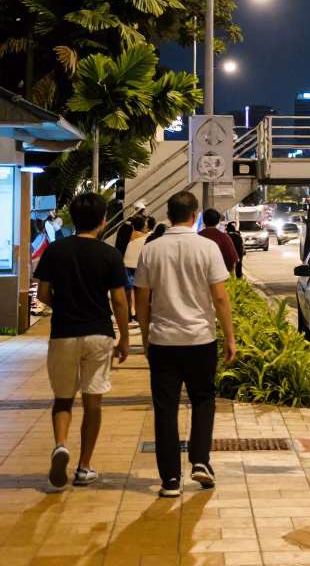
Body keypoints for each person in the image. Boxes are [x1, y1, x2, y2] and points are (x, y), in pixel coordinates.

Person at [135, 190, 236, 498]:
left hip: (163, 341)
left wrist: (145, 333)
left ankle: (170, 481)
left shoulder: (151, 249)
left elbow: (141, 298)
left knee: (165, 408)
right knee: (203, 400)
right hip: (200, 339)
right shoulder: (206, 247)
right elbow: (219, 297)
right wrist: (230, 337)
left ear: (168, 214)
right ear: (195, 216)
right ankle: (201, 461)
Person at [34, 192, 130, 488]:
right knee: (93, 400)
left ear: (72, 220)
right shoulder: (110, 254)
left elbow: (42, 294)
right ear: (103, 221)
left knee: (63, 398)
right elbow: (119, 300)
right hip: (99, 334)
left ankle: (61, 444)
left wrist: (63, 306)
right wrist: (125, 337)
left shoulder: (56, 251)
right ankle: (84, 466)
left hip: (63, 333)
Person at [121, 216, 149, 323]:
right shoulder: (145, 237)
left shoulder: (129, 235)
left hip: (127, 263)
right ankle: (138, 314)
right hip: (139, 265)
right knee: (140, 291)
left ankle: (128, 315)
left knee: (127, 290)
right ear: (143, 225)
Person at [197, 208, 239, 274]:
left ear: (204, 220)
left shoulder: (197, 237)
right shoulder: (224, 237)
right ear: (218, 221)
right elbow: (233, 261)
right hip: (220, 278)